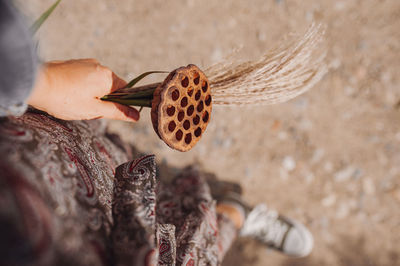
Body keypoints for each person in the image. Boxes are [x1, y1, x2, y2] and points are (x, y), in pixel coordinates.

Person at [0, 0, 313, 265]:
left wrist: (42, 85)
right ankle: (234, 214)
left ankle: (227, 210)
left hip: (31, 164)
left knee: (105, 164)